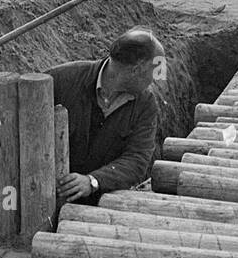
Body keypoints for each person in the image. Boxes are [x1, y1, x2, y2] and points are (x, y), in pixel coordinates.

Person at [47, 29, 164, 207]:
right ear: (137, 69)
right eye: (155, 70)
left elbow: (137, 160)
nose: (156, 78)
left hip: (98, 207)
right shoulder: (61, 81)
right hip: (45, 197)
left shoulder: (145, 105)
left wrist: (93, 181)